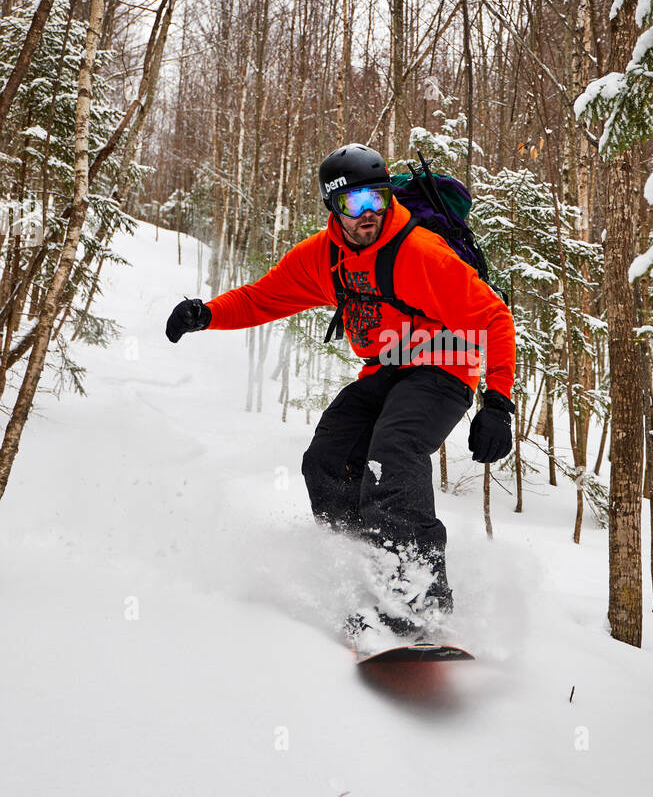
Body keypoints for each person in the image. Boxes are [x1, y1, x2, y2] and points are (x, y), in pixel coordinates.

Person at [166, 142, 516, 635]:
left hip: (445, 365)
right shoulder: (325, 256)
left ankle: (419, 596)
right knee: (328, 458)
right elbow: (264, 298)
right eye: (354, 204)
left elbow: (494, 318)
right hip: (385, 370)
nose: (368, 213)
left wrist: (497, 402)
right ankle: (364, 574)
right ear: (334, 208)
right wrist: (207, 315)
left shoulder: (420, 253)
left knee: (393, 450)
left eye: (376, 198)